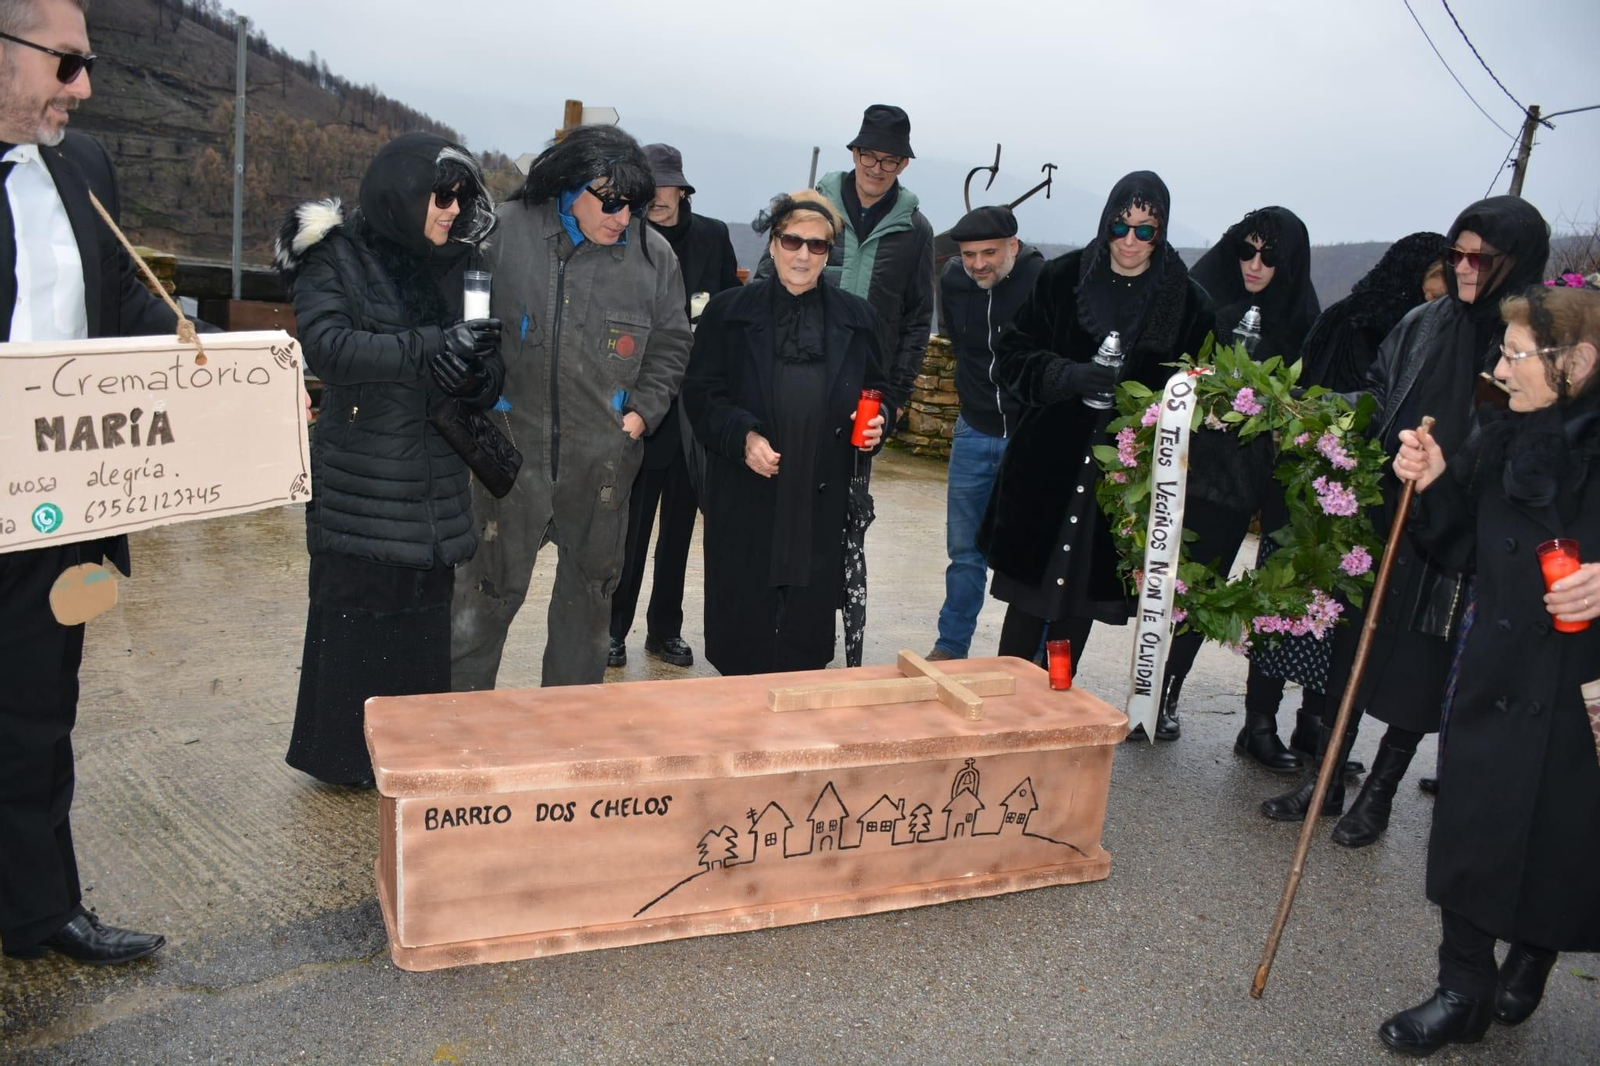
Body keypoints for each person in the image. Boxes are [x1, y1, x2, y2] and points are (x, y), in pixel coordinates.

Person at [1262, 196, 1550, 847]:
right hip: (1388, 510)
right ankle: (1328, 778)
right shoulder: (1424, 320)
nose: (1465, 268)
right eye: (1456, 254)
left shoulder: (1527, 343)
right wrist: (1309, 409)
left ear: (1517, 261)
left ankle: (1381, 792)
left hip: (1460, 530)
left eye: (1482, 258)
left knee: (1422, 663)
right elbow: (1378, 396)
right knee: (1352, 655)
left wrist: (1455, 476)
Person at [0, 0, 193, 964]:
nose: (84, 87)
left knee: (39, 716)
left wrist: (198, 363)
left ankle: (39, 913)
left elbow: (121, 306)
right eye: (68, 64)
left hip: (55, 516)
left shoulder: (86, 169)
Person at [1378, 282, 1599, 1056]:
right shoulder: (1500, 433)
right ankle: (1461, 991)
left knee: (1562, 836)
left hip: (1583, 685)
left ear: (1576, 362)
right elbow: (1462, 550)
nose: (1499, 371)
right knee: (1472, 826)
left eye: (1514, 356)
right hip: (1497, 667)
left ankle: (1535, 951)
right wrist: (1434, 478)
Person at [276, 133, 502, 786]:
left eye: (462, 197)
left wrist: (476, 371)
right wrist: (434, 344)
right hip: (366, 483)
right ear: (403, 193)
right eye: (442, 195)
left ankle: (407, 753)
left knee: (420, 621)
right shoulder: (338, 257)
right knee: (358, 617)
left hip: (433, 488)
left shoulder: (459, 264)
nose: (453, 209)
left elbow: (488, 367)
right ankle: (342, 760)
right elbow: (328, 348)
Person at [450, 126, 692, 690]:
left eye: (632, 204)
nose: (622, 216)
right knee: (483, 595)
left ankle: (570, 732)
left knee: (588, 600)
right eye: (609, 202)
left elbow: (673, 343)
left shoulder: (655, 258)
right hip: (506, 455)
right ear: (569, 185)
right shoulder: (501, 236)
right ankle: (454, 723)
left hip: (602, 463)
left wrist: (640, 415)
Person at [978, 171, 1213, 687]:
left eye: (1145, 230)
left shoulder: (1190, 303)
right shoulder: (1061, 277)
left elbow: (1201, 390)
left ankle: (1054, 706)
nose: (1130, 241)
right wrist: (1065, 375)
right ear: (1105, 223)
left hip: (1119, 483)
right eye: (1120, 226)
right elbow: (1011, 356)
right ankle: (1003, 704)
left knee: (1074, 606)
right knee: (1025, 603)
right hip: (1046, 470)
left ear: (1162, 231)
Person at [1250, 231, 1450, 769]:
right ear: (1414, 272)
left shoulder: (1434, 330)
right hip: (1316, 483)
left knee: (1339, 615)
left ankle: (1314, 730)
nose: (1445, 285)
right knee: (1286, 604)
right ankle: (1258, 723)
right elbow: (1331, 399)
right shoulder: (1359, 318)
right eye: (1438, 274)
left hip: (1370, 491)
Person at [681, 191, 887, 675]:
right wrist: (743, 437)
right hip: (747, 484)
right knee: (743, 618)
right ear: (773, 244)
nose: (803, 254)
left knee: (806, 631)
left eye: (817, 246)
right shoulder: (728, 313)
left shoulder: (857, 319)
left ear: (828, 254)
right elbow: (700, 395)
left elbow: (880, 390)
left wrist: (881, 421)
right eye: (792, 240)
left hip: (821, 486)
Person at [1163, 206, 1321, 752]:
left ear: (1290, 262)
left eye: (1269, 256)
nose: (1254, 265)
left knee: (1238, 592)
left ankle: (1215, 707)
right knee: (1178, 584)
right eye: (1245, 250)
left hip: (1257, 480)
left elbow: (1315, 404)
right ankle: (1155, 689)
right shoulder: (1206, 300)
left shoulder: (1305, 324)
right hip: (1195, 470)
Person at [608, 143, 739, 670]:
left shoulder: (713, 236)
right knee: (630, 532)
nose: (657, 197)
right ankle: (613, 629)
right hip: (642, 405)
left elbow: (729, 309)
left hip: (694, 412)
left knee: (680, 532)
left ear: (682, 189)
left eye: (667, 186)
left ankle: (664, 630)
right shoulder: (626, 236)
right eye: (649, 186)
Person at [926, 205, 1045, 662]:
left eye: (989, 253)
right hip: (973, 428)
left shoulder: (1043, 282)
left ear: (1013, 245)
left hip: (1030, 438)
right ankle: (951, 646)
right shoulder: (954, 280)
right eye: (969, 254)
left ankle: (1028, 657)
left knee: (1029, 553)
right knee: (964, 551)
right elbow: (957, 341)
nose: (978, 264)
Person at [812, 104, 934, 417]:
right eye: (869, 155)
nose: (876, 168)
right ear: (854, 153)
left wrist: (897, 395)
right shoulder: (812, 211)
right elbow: (768, 281)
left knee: (851, 466)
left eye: (889, 160)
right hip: (799, 368)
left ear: (903, 164)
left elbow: (918, 319)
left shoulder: (916, 231)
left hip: (867, 385)